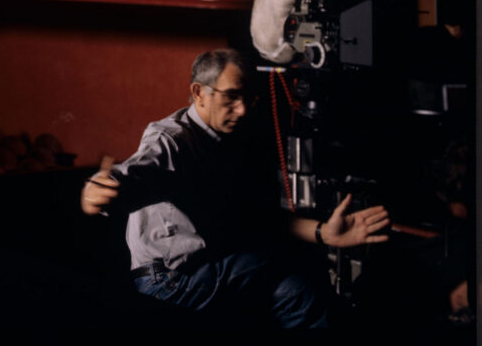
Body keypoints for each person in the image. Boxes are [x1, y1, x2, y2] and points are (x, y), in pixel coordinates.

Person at [81, 48, 390, 328]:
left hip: (214, 269)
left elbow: (264, 220)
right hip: (170, 280)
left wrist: (325, 233)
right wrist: (102, 190)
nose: (241, 110)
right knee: (290, 266)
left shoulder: (233, 142)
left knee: (297, 294)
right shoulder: (172, 140)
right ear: (199, 93)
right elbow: (137, 172)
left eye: (247, 98)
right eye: (230, 97)